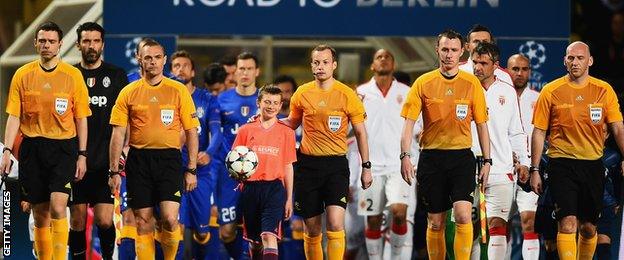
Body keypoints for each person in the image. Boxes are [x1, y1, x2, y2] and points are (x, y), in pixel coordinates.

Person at [0, 21, 92, 260]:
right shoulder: (23, 74)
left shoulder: (72, 76)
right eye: (42, 41)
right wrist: (7, 150)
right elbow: (14, 116)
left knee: (59, 207)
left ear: (60, 44)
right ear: (35, 43)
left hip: (63, 148)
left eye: (51, 41)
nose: (46, 45)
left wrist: (82, 155)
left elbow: (82, 119)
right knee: (40, 213)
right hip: (32, 148)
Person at [400, 29, 491, 260]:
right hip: (431, 158)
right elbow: (408, 125)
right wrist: (405, 156)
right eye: (445, 49)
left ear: (462, 52)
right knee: (436, 221)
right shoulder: (423, 83)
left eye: (453, 50)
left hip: (461, 157)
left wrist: (488, 161)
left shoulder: (472, 83)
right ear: (437, 50)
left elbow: (482, 125)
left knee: (462, 215)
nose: (449, 54)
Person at [529, 41, 624, 260]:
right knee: (568, 223)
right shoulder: (551, 90)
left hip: (593, 165)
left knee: (589, 228)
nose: (575, 62)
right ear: (564, 61)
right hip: (561, 164)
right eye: (570, 58)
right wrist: (534, 168)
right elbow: (539, 132)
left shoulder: (604, 90)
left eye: (580, 58)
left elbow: (617, 127)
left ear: (589, 61)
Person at [108, 38, 199, 260]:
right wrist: (113, 171)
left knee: (169, 217)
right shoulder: (128, 92)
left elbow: (191, 131)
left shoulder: (178, 90)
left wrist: (192, 169)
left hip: (169, 160)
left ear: (165, 60)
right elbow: (118, 134)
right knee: (143, 220)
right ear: (139, 59)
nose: (153, 62)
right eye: (147, 57)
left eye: (158, 57)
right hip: (139, 160)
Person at [284, 44, 372, 260]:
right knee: (312, 229)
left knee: (334, 223)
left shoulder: (347, 95)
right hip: (307, 166)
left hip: (335, 166)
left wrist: (366, 167)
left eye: (325, 62)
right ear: (311, 65)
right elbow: (291, 123)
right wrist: (266, 123)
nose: (320, 66)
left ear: (334, 65)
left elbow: (361, 133)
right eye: (316, 62)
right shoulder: (302, 93)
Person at [68, 22, 128, 260]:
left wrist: (124, 149)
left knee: (104, 220)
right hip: (76, 160)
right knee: (78, 220)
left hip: (105, 161)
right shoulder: (70, 75)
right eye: (86, 41)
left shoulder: (116, 75)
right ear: (78, 44)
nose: (91, 46)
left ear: (102, 44)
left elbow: (126, 118)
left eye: (95, 41)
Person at [470, 43, 529, 259]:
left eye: (483, 63)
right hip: (466, 169)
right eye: (475, 62)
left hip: (500, 168)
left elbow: (516, 131)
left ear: (496, 65)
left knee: (497, 226)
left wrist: (523, 160)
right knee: (470, 228)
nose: (478, 67)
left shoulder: (507, 91)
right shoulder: (463, 86)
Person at [356, 49, 413, 260]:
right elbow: (350, 132)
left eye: (388, 56)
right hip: (370, 168)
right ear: (372, 65)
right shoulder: (360, 93)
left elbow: (417, 129)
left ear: (394, 65)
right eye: (379, 57)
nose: (383, 59)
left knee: (399, 213)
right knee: (373, 220)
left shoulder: (406, 92)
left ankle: (396, 256)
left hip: (398, 167)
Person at [232, 85, 297, 260]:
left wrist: (289, 197)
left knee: (269, 236)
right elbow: (234, 160)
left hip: (274, 189)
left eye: (275, 103)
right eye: (267, 101)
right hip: (250, 189)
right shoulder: (246, 130)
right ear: (258, 102)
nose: (271, 106)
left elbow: (288, 166)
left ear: (281, 105)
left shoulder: (287, 132)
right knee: (255, 242)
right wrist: (235, 174)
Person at [208, 52, 261, 259]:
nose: (245, 73)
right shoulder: (221, 101)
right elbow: (214, 137)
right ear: (235, 72)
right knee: (227, 230)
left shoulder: (265, 100)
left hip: (257, 176)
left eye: (249, 69)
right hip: (228, 175)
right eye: (241, 69)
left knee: (256, 233)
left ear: (257, 71)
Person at [170, 50, 215, 259]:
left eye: (185, 65)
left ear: (193, 70)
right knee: (173, 223)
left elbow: (217, 132)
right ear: (171, 70)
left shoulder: (206, 99)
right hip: (173, 170)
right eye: (176, 65)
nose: (181, 69)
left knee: (202, 229)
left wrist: (209, 152)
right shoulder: (167, 96)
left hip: (201, 171)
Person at [506, 53, 541, 259]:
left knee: (529, 221)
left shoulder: (538, 100)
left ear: (530, 72)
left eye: (524, 69)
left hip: (529, 169)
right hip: (501, 168)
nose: (519, 73)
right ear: (506, 70)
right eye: (515, 69)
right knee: (501, 224)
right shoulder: (495, 96)